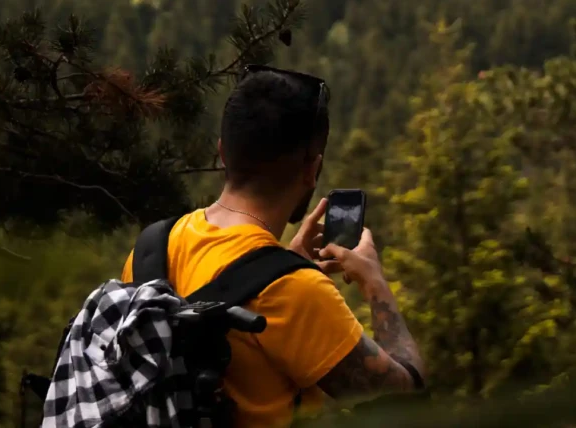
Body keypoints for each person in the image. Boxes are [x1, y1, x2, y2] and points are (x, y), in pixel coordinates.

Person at [120, 65, 425, 428]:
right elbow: (407, 402)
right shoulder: (295, 291)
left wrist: (280, 263)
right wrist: (375, 283)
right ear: (312, 170)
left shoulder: (151, 248)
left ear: (222, 153)